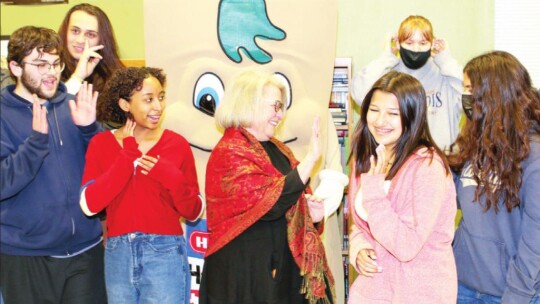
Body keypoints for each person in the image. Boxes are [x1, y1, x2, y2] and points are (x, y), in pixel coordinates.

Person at [199, 70, 335, 304]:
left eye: (282, 107)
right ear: (248, 103)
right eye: (275, 106)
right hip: (244, 278)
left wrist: (312, 215)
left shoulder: (280, 149)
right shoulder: (230, 151)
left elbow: (294, 197)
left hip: (283, 277)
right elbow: (270, 202)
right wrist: (310, 160)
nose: (280, 115)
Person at [79, 66, 203, 304]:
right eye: (148, 99)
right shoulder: (101, 144)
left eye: (161, 97)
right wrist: (126, 158)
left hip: (165, 253)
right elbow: (89, 205)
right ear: (126, 105)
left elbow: (195, 211)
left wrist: (170, 176)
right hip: (118, 254)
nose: (158, 106)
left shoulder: (176, 145)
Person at [0, 26, 105, 303]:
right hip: (26, 256)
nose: (52, 72)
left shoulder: (74, 105)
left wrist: (90, 130)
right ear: (15, 67)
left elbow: (108, 170)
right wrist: (35, 145)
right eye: (40, 64)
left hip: (86, 250)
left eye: (56, 63)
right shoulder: (2, 114)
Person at [347, 71, 457, 303]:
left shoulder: (428, 166)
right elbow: (360, 224)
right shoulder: (369, 156)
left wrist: (375, 194)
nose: (380, 121)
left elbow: (406, 245)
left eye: (392, 114)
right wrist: (359, 249)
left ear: (411, 116)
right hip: (373, 290)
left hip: (417, 292)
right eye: (374, 110)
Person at [450, 51, 540, 304]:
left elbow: (535, 243)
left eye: (471, 89)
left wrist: (517, 296)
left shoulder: (534, 157)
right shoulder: (476, 142)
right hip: (463, 286)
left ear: (495, 94)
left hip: (511, 293)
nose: (465, 97)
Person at [351, 15, 463, 152]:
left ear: (432, 43)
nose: (416, 49)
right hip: (398, 162)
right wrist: (386, 57)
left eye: (422, 43)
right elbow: (359, 95)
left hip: (443, 160)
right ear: (398, 43)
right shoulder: (389, 73)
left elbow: (471, 101)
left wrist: (446, 60)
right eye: (409, 43)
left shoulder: (445, 73)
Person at [58, 3, 125, 121]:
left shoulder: (116, 78)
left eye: (90, 34)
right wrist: (78, 77)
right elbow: (52, 113)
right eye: (75, 31)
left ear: (102, 39)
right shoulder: (49, 69)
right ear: (65, 32)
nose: (80, 40)